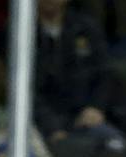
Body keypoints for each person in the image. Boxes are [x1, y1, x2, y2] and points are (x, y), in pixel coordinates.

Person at [32, 0, 119, 140]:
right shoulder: (21, 33)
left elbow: (104, 74)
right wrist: (50, 126)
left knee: (112, 142)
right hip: (38, 123)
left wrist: (96, 107)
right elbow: (22, 88)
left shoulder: (86, 28)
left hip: (84, 117)